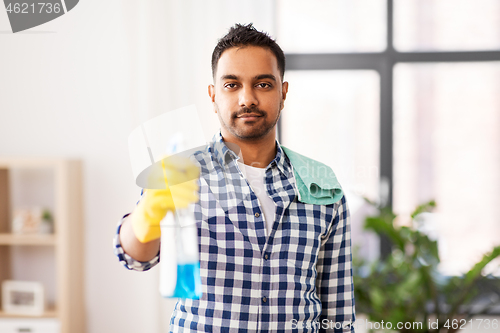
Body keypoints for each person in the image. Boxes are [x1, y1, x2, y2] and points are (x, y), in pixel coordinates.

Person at [114, 23, 355, 332]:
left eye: (263, 84)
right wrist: (147, 213)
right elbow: (135, 257)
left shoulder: (321, 183)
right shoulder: (180, 171)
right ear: (213, 96)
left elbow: (338, 311)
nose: (247, 99)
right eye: (232, 85)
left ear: (283, 92)